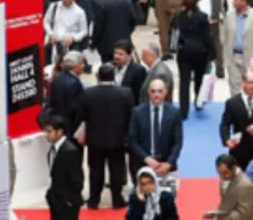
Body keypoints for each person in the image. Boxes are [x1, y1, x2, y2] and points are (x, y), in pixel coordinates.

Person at [74, 63, 133, 209]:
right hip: (117, 140)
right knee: (117, 170)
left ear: (98, 76)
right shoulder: (125, 93)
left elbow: (80, 116)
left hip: (95, 140)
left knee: (95, 171)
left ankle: (94, 200)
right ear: (114, 76)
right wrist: (127, 137)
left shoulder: (88, 93)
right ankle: (117, 200)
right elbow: (130, 117)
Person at [128, 79, 183, 186]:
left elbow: (178, 142)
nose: (156, 95)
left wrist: (168, 163)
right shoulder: (138, 112)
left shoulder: (174, 113)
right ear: (148, 92)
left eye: (159, 91)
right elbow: (132, 140)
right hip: (144, 165)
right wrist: (147, 159)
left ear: (165, 92)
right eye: (153, 91)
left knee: (168, 196)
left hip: (167, 166)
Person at [175, 0, 215, 118]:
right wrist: (212, 53)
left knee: (184, 81)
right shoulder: (202, 16)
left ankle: (183, 110)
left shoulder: (180, 15)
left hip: (184, 50)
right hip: (200, 51)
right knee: (199, 79)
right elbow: (206, 36)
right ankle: (198, 102)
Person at [42, 115, 84, 220]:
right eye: (45, 131)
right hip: (55, 200)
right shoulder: (52, 150)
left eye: (49, 131)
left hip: (67, 204)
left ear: (60, 132)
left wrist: (70, 200)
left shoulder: (70, 151)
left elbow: (77, 179)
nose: (46, 134)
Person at [212, 154, 253, 220]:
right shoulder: (225, 178)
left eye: (225, 173)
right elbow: (224, 201)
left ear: (233, 168)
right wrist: (215, 215)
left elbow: (244, 213)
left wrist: (223, 218)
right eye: (219, 173)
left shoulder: (246, 185)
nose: (222, 177)